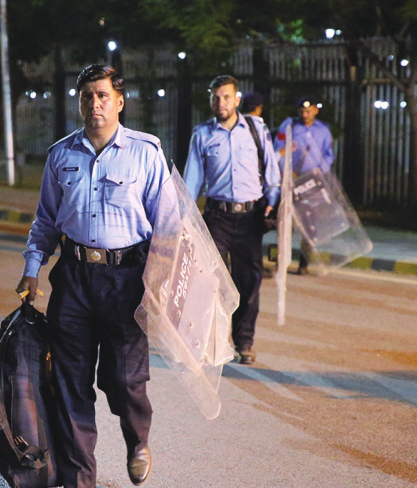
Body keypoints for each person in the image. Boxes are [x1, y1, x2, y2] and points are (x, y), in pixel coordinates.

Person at [16, 64, 169, 488]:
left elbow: (167, 225)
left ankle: (137, 439)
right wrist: (33, 269)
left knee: (124, 380)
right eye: (87, 96)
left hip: (128, 280)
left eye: (102, 95)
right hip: (74, 279)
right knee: (70, 386)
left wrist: (163, 283)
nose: (94, 103)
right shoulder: (61, 154)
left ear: (120, 102)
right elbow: (45, 219)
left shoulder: (146, 152)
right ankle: (79, 479)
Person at [183, 75, 280, 365]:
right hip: (217, 216)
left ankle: (244, 342)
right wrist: (184, 218)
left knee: (248, 282)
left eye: (226, 96)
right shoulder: (202, 134)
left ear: (237, 99)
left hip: (250, 218)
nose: (220, 102)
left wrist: (272, 204)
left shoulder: (256, 129)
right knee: (209, 280)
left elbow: (272, 173)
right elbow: (192, 181)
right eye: (215, 97)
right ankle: (209, 340)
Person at [274, 95, 335, 275]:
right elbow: (279, 150)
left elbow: (328, 155)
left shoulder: (323, 131)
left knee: (310, 223)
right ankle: (281, 262)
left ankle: (304, 263)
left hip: (312, 181)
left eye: (309, 111)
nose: (305, 114)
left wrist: (319, 172)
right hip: (291, 180)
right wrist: (285, 170)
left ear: (316, 110)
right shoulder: (289, 126)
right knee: (287, 223)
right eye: (302, 111)